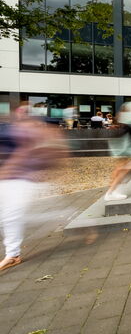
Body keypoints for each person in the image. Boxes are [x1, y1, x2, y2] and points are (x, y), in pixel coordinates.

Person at [0, 105, 64, 271]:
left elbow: (28, 151)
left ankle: (12, 255)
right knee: (9, 216)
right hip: (9, 178)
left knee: (12, 215)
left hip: (20, 179)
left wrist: (9, 167)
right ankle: (12, 253)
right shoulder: (14, 129)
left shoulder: (31, 130)